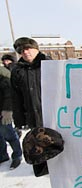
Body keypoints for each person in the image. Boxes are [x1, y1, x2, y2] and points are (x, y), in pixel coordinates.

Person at [10, 37, 52, 176]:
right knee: (37, 142)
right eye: (22, 51)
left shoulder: (50, 64)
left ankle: (59, 167)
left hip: (51, 112)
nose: (25, 52)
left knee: (53, 140)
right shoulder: (17, 70)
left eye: (28, 48)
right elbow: (16, 97)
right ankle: (43, 167)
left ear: (36, 48)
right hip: (32, 113)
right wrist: (19, 119)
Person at [0, 61, 22, 170]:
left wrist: (7, 110)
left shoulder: (3, 76)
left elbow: (9, 95)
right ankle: (2, 156)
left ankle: (17, 155)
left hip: (3, 112)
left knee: (8, 134)